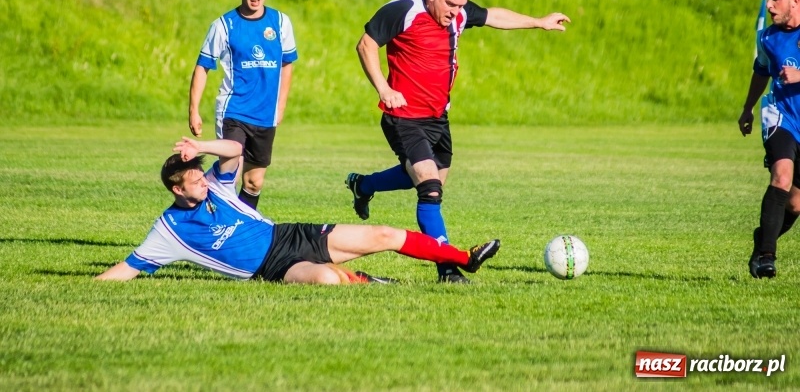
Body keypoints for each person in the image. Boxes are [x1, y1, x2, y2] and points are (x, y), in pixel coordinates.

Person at [345, 0, 569, 283]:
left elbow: (492, 16)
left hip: (438, 119)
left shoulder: (459, 14)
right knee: (430, 189)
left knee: (422, 180)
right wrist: (384, 88)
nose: (457, 11)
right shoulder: (404, 10)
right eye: (451, 4)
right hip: (404, 117)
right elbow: (365, 45)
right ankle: (448, 269)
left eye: (462, 5)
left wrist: (538, 22)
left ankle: (363, 185)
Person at [95, 137, 501, 284]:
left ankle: (464, 258)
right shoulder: (170, 230)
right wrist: (90, 284)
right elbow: (128, 268)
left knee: (384, 235)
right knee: (325, 281)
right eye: (194, 179)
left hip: (291, 235)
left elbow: (236, 150)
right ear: (175, 188)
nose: (203, 180)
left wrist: (200, 148)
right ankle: (366, 281)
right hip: (271, 269)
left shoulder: (217, 186)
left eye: (201, 175)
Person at [188, 0, 297, 210]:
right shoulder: (224, 26)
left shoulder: (280, 23)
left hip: (265, 114)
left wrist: (281, 106)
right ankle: (195, 208)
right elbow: (202, 67)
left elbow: (287, 64)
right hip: (233, 111)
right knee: (230, 171)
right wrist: (193, 109)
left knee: (254, 182)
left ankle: (240, 231)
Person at [738, 0, 800, 279]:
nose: (770, 5)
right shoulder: (768, 37)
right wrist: (748, 108)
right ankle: (766, 256)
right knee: (782, 175)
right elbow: (761, 71)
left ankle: (763, 237)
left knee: (797, 204)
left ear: (795, 1)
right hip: (780, 116)